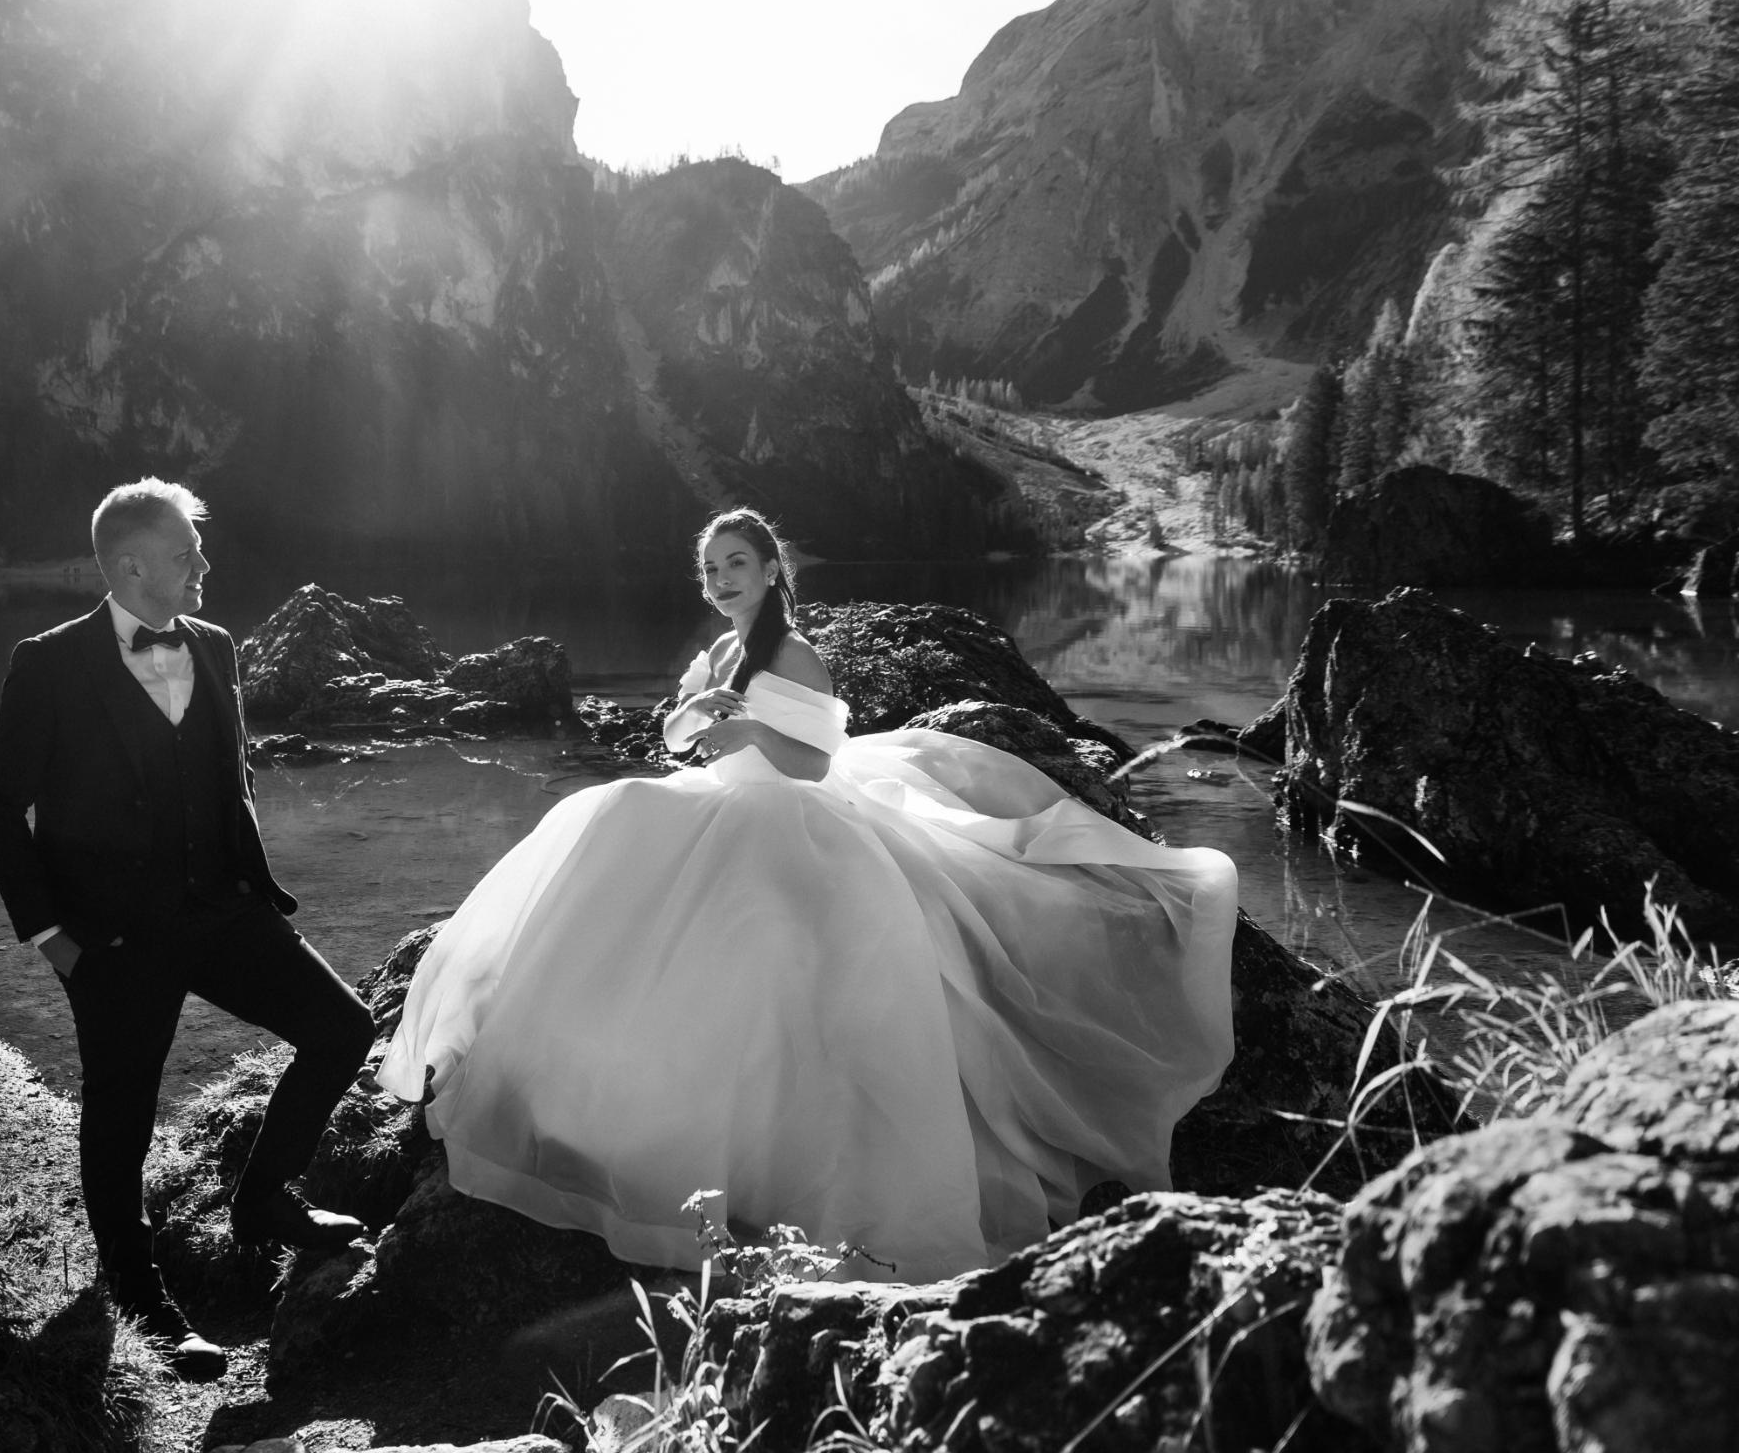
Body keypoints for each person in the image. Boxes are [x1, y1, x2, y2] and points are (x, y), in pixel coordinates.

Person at [377, 510, 1238, 1282]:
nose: (722, 580)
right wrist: (702, 714)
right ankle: (570, 1089)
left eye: (736, 565)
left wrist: (750, 726)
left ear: (770, 571)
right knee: (610, 814)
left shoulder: (796, 654)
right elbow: (676, 735)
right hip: (720, 799)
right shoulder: (719, 651)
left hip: (787, 813)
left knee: (754, 941)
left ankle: (758, 1168)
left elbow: (817, 764)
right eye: (711, 569)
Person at [0, 477, 376, 1376]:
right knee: (123, 1117)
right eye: (186, 552)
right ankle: (141, 1298)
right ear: (130, 566)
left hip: (224, 911)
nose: (204, 565)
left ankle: (263, 1197)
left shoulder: (218, 646)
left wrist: (245, 879)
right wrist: (53, 941)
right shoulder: (48, 663)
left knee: (343, 1027)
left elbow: (233, 775)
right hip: (112, 939)